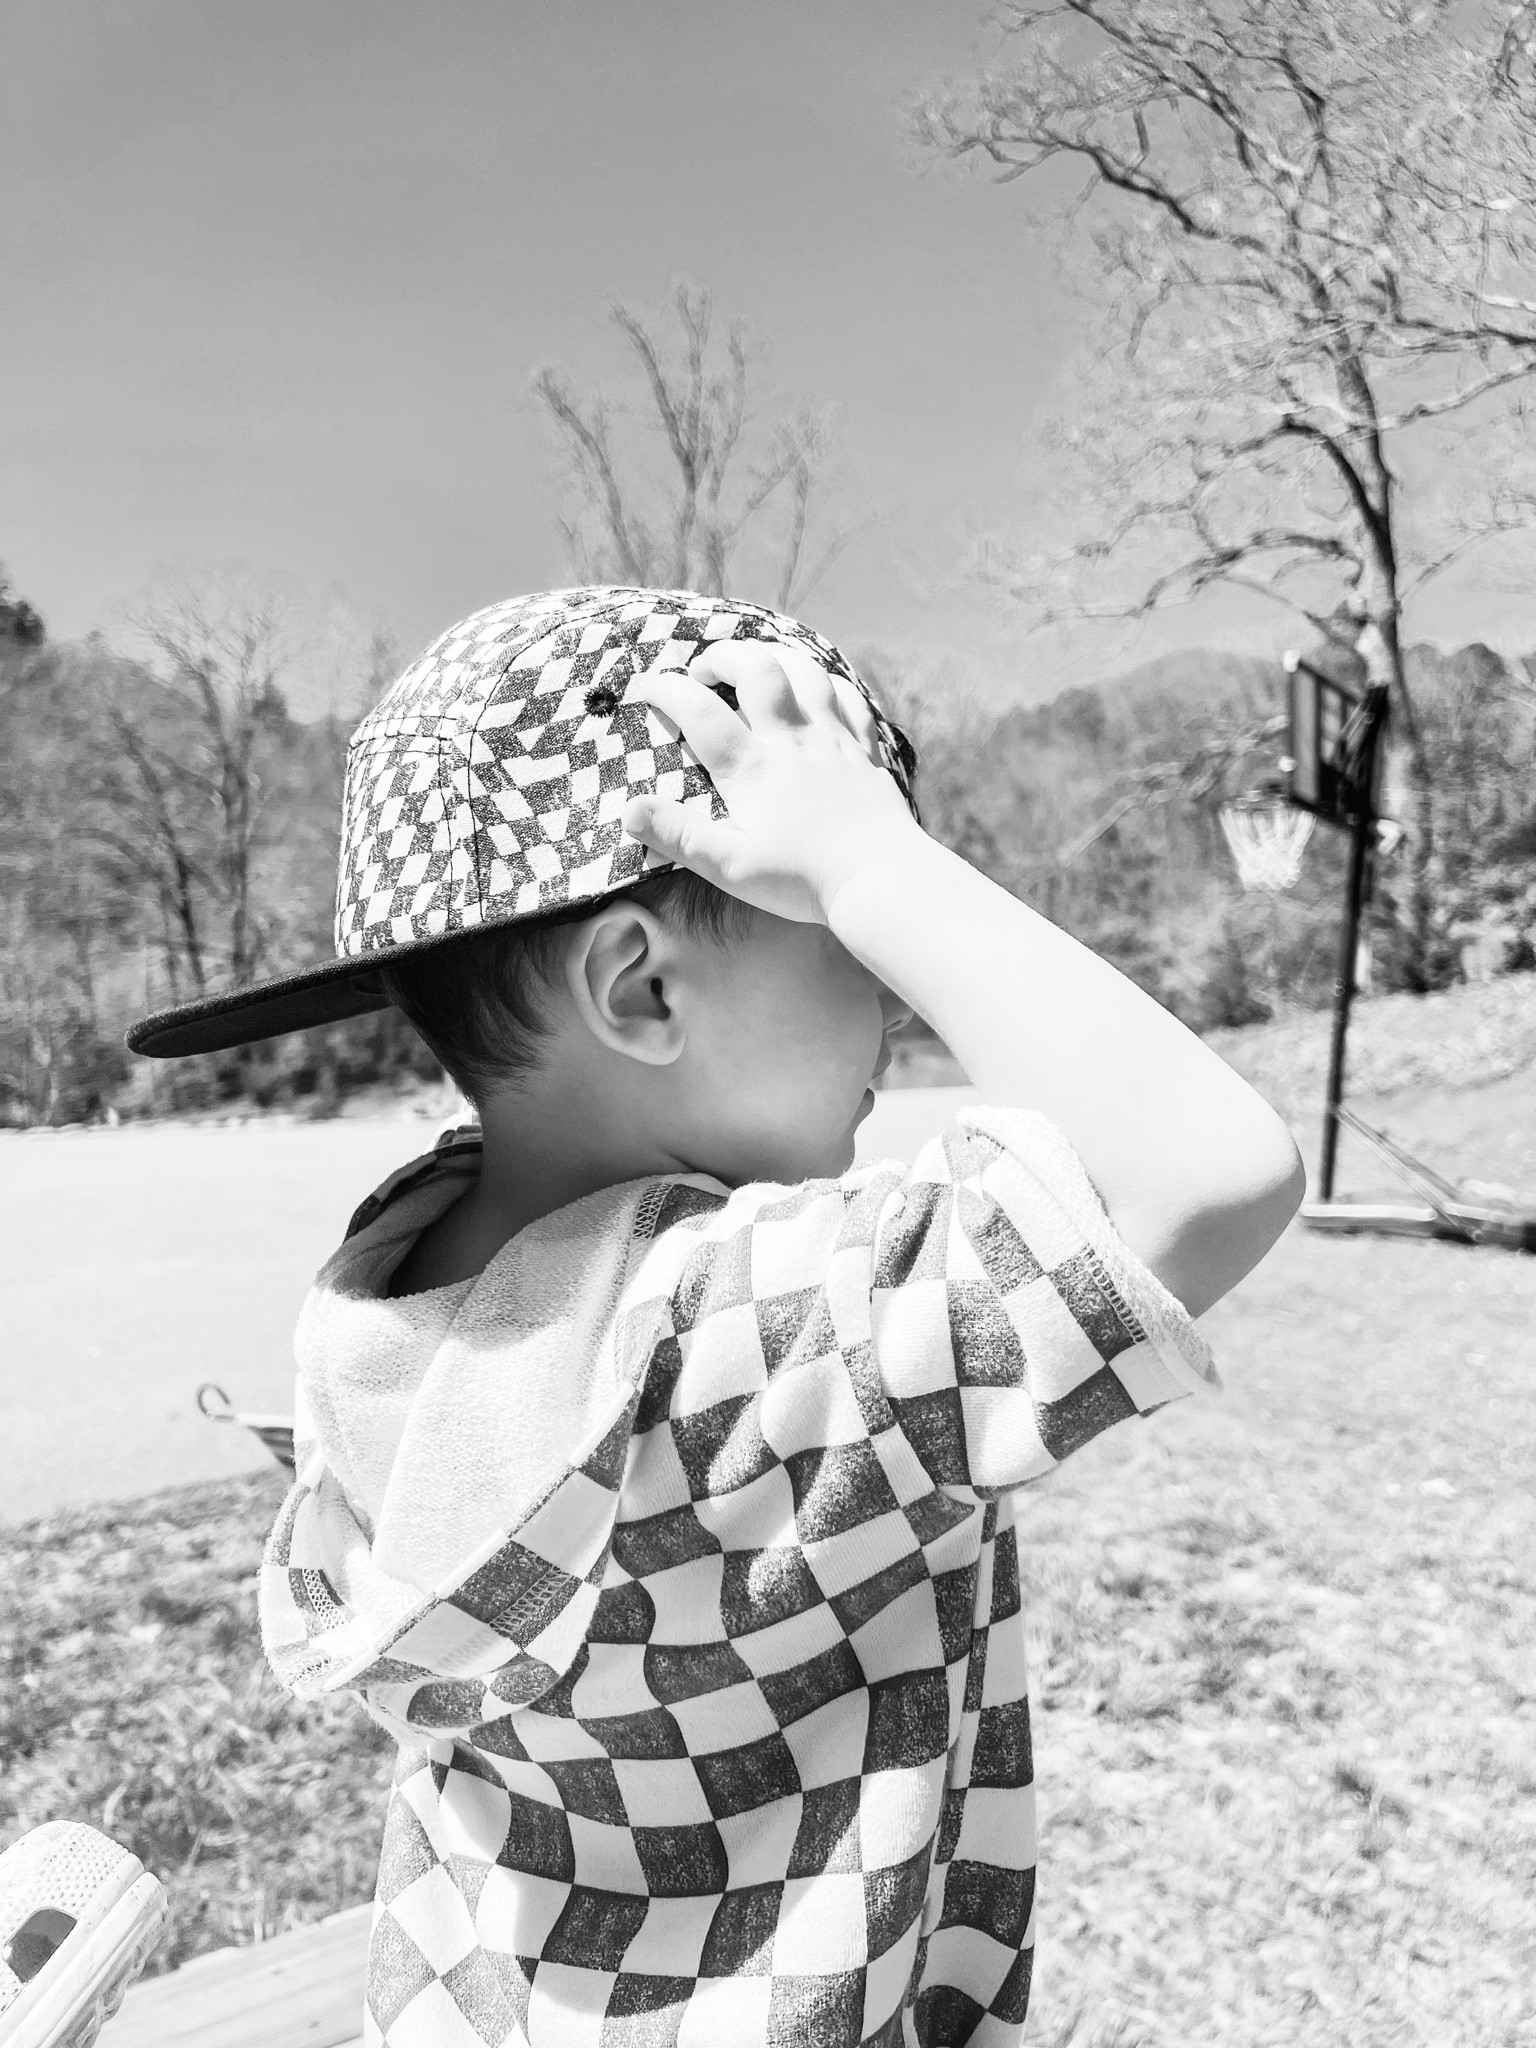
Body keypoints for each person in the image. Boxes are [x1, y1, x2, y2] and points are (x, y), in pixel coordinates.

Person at [129, 585, 1304, 2048]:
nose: (901, 1004)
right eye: (849, 940)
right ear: (637, 984)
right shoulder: (751, 1335)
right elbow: (1208, 1173)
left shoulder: (392, 1274)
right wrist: (882, 860)